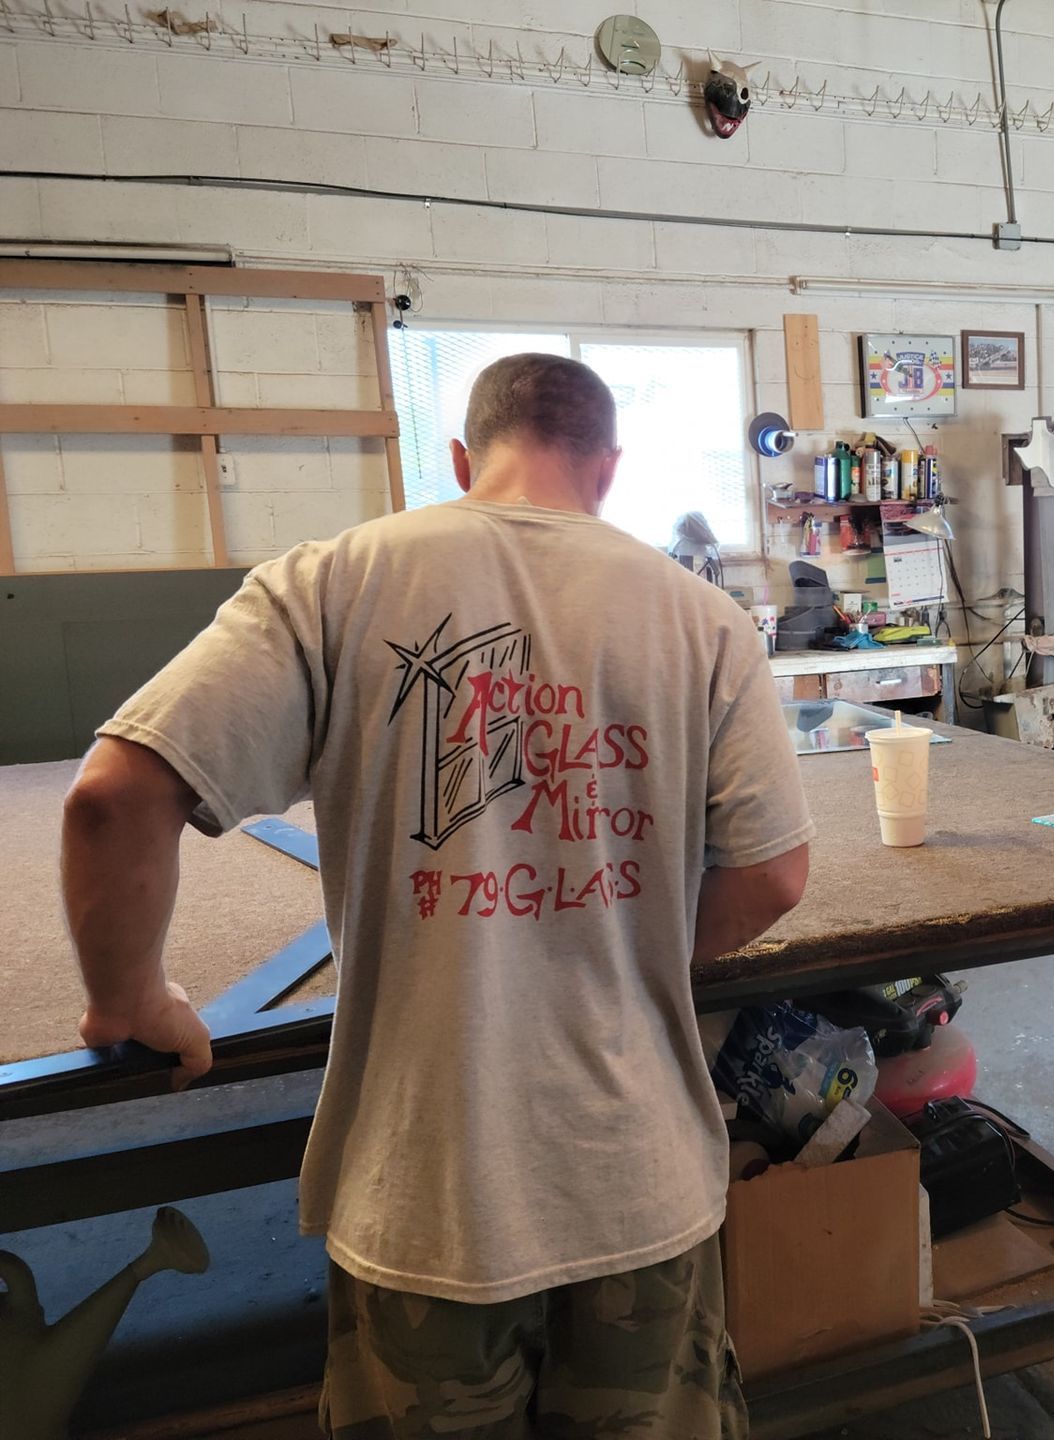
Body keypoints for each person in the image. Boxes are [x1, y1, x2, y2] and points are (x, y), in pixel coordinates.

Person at [61, 353, 813, 1439]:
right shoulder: (702, 619)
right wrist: (623, 939)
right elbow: (775, 873)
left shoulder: (334, 579)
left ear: (462, 458)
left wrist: (131, 998)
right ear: (606, 469)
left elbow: (112, 796)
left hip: (425, 1200)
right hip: (638, 1181)